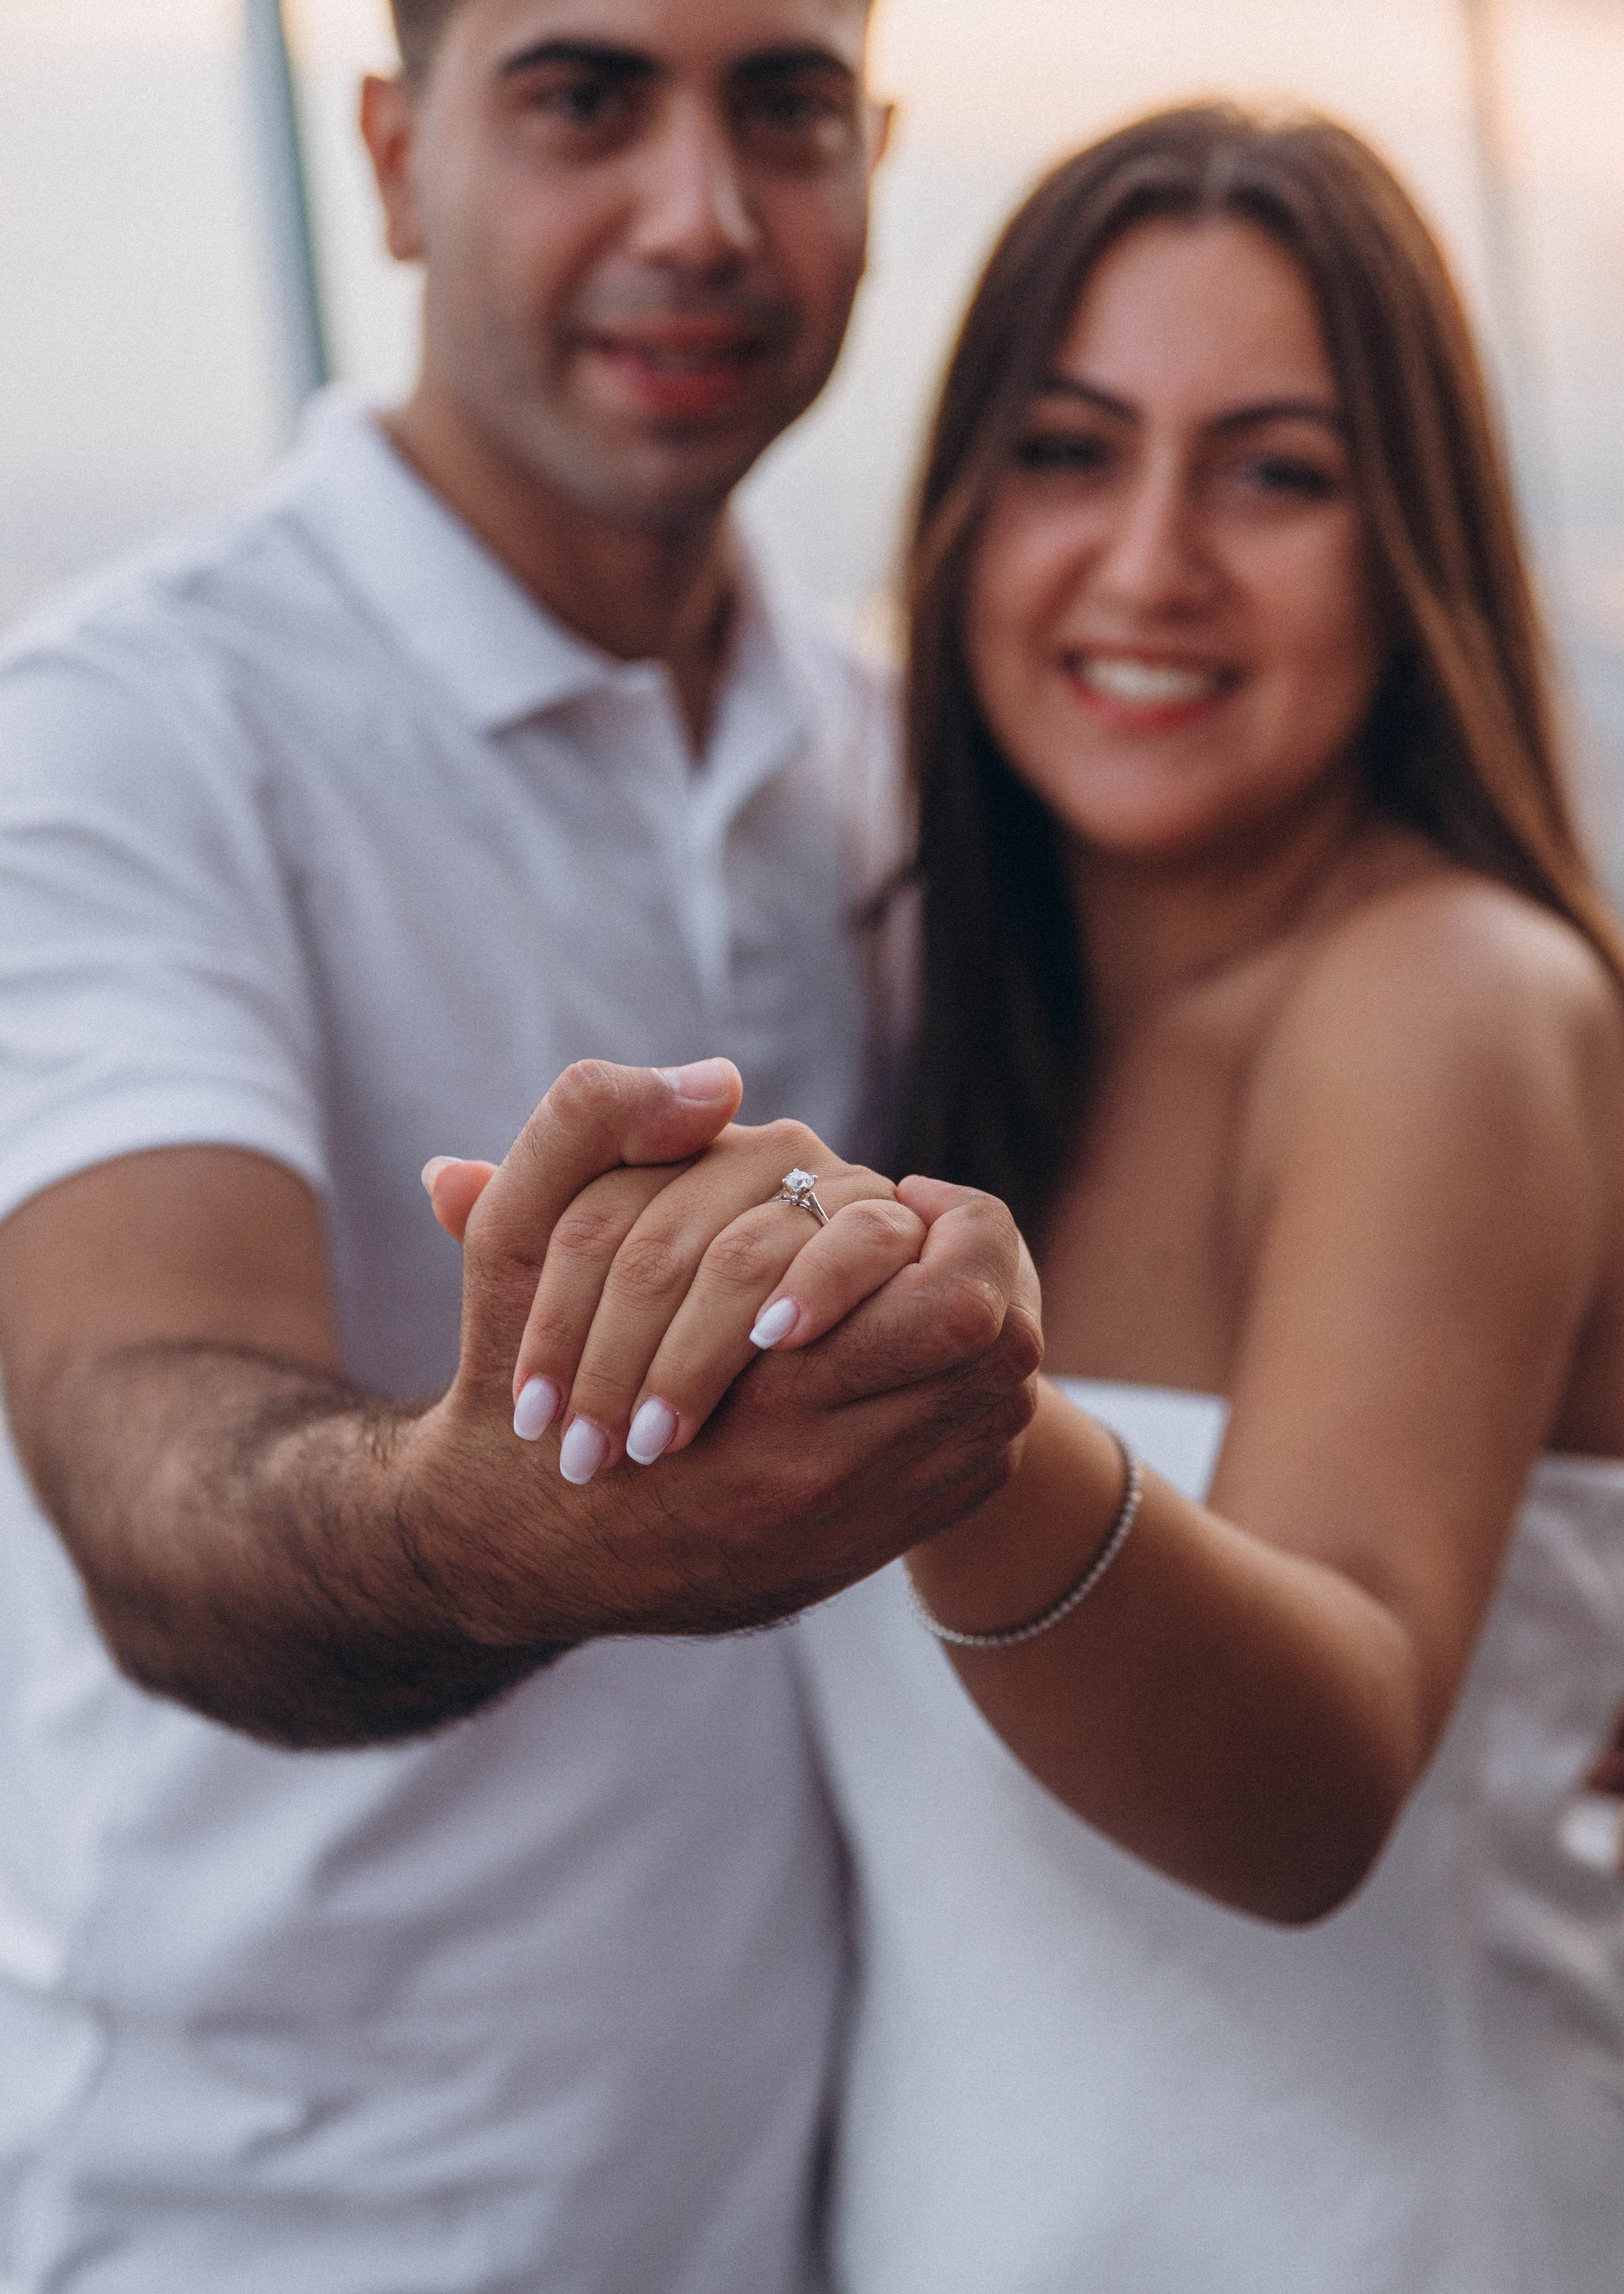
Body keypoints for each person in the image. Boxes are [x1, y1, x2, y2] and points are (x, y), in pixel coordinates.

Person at [499, 105, 1624, 2291]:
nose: (1151, 561)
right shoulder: (948, 1005)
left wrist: (956, 1414)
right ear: (956, 515)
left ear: (1413, 550)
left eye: (1276, 472)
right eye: (1070, 451)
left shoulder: (1443, 995)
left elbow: (1316, 1795)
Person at [0, 4, 1040, 2287]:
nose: (701, 214)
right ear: (392, 159)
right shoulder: (130, 727)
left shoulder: (879, 755)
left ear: (870, 155)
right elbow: (138, 1461)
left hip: (812, 2206)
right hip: (260, 2224)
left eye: (782, 107)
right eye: (584, 97)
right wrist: (510, 1530)